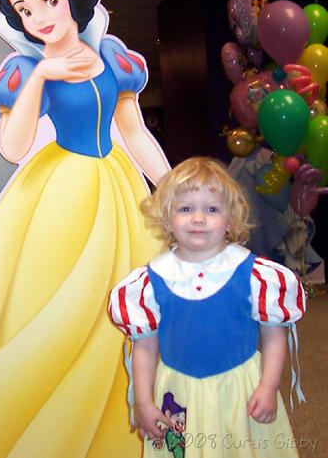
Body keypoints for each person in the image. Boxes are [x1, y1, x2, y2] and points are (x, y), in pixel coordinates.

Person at [0, 0, 169, 458]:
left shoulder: (112, 58)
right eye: (25, 10)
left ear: (73, 1)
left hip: (119, 189)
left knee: (132, 302)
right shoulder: (23, 69)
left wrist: (175, 187)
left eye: (47, 1)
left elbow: (135, 130)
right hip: (59, 197)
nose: (38, 17)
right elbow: (13, 147)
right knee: (60, 310)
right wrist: (41, 76)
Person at [109, 157, 306, 458]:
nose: (198, 218)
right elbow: (145, 348)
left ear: (231, 218)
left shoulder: (254, 274)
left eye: (211, 209)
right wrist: (145, 402)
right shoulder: (152, 281)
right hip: (178, 396)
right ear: (166, 217)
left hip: (239, 392)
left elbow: (273, 335)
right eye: (185, 209)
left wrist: (268, 386)